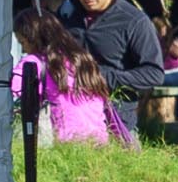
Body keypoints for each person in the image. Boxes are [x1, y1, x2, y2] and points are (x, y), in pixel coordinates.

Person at [55, 0, 165, 98]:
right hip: (70, 111)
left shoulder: (134, 21)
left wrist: (100, 77)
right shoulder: (67, 12)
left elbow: (154, 74)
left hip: (113, 113)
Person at [13, 10, 136, 145]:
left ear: (32, 38)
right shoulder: (82, 59)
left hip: (66, 145)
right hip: (100, 144)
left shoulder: (33, 62)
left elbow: (10, 92)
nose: (24, 50)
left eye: (23, 43)